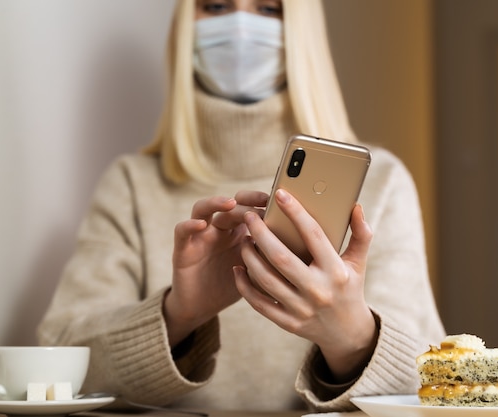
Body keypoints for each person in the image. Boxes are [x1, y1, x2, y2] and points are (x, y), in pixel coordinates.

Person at [37, 0, 446, 412]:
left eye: (269, 9)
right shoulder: (131, 184)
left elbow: (432, 378)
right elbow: (55, 360)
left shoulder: (380, 182)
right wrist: (177, 315)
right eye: (216, 5)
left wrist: (352, 337)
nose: (241, 26)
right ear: (185, 27)